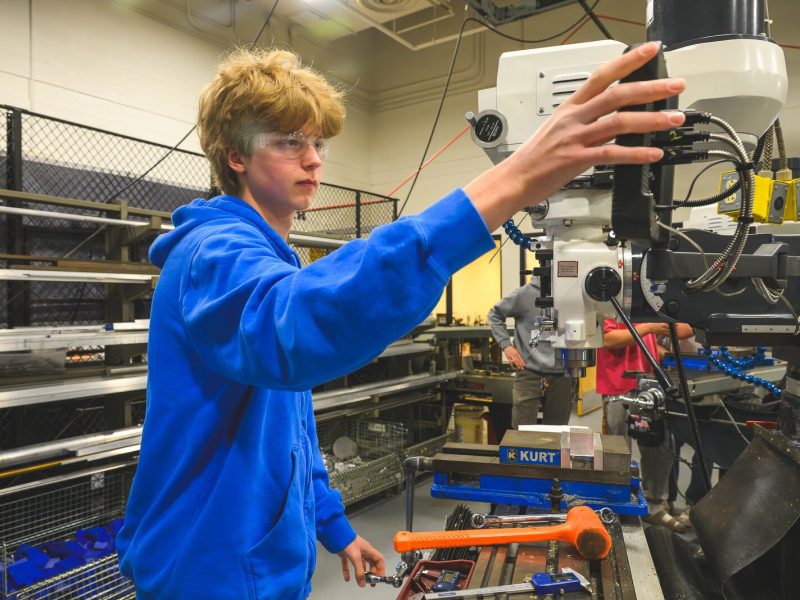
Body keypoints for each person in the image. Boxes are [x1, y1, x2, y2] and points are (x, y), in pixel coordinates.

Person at [116, 43, 686, 598]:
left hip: (261, 566)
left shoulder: (270, 256)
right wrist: (511, 181)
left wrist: (333, 528)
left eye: (317, 142)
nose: (313, 159)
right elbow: (294, 328)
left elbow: (289, 432)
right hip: (206, 570)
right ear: (235, 156)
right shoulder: (212, 253)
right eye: (289, 141)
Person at [597, 319, 693, 532]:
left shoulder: (649, 305)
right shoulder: (611, 305)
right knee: (617, 449)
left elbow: (683, 329)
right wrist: (649, 328)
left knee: (658, 445)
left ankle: (655, 506)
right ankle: (617, 504)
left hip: (648, 382)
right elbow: (608, 339)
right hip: (618, 384)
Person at [488, 281, 576, 430]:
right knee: (522, 432)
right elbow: (495, 314)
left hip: (562, 375)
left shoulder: (571, 294)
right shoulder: (524, 295)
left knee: (556, 433)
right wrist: (506, 345)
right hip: (529, 373)